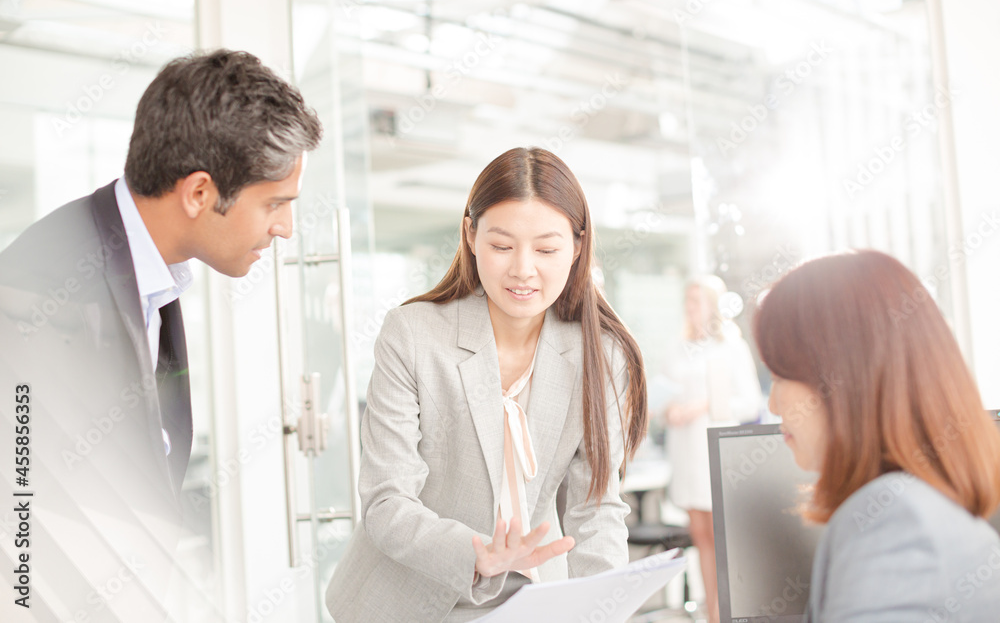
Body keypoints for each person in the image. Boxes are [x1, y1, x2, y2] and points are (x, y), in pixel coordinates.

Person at [0, 49, 321, 621]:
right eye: (274, 203)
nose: (285, 228)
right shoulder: (48, 290)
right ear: (199, 193)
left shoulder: (149, 272)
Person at [326, 147, 648, 622]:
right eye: (501, 246)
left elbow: (594, 508)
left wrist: (605, 607)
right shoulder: (413, 335)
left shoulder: (601, 355)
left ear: (578, 246)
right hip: (404, 602)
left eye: (546, 249)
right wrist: (477, 553)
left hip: (528, 601)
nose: (522, 269)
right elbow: (386, 501)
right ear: (471, 235)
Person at [753, 249, 1000, 621]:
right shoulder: (921, 505)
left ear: (841, 378)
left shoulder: (895, 520)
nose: (772, 405)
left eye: (778, 377)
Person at [661, 275, 761, 623]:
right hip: (686, 451)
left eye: (697, 300)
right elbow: (664, 390)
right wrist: (669, 409)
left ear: (713, 305)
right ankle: (711, 614)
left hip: (714, 451)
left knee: (722, 541)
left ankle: (726, 614)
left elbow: (749, 403)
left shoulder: (731, 346)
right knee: (701, 537)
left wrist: (704, 405)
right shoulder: (678, 345)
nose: (690, 307)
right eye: (687, 300)